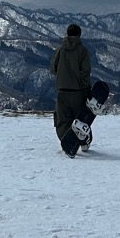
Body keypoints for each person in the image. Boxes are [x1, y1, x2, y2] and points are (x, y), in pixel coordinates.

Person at [50, 23, 91, 156]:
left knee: (62, 119)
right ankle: (84, 142)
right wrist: (86, 87)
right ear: (79, 35)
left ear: (67, 34)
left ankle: (66, 141)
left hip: (62, 90)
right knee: (82, 119)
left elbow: (53, 69)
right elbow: (85, 72)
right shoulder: (83, 51)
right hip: (79, 91)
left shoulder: (60, 50)